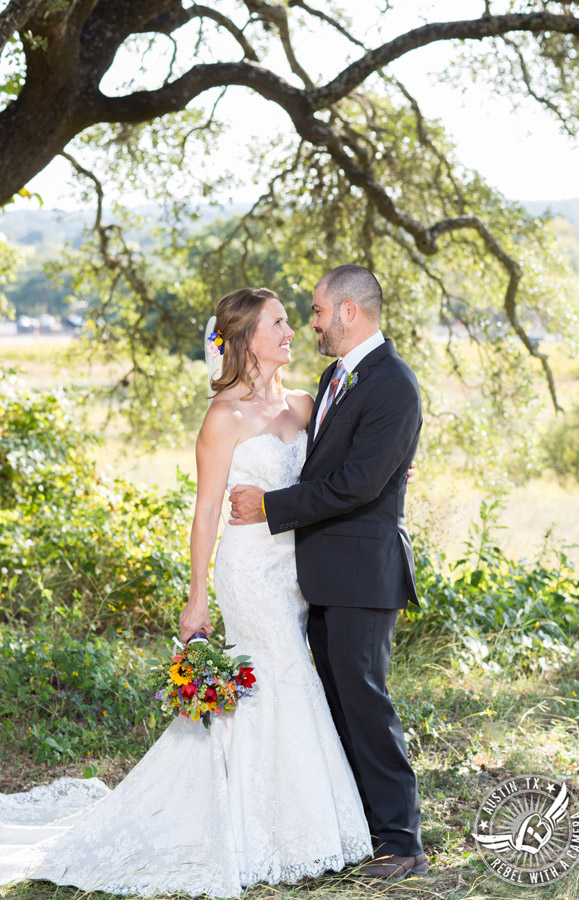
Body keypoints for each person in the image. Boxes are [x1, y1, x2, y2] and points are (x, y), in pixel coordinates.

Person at [0, 287, 373, 899]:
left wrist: (393, 466)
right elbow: (206, 514)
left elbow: (341, 473)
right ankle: (273, 830)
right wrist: (196, 598)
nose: (291, 332)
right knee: (279, 675)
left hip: (299, 570)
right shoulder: (223, 416)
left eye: (290, 322)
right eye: (279, 324)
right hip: (249, 571)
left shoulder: (308, 405)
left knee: (287, 678)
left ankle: (289, 816)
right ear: (248, 338)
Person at [230, 265, 427, 882]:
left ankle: (402, 841)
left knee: (366, 704)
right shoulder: (334, 378)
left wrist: (271, 506)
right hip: (322, 574)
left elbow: (356, 483)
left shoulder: (393, 384)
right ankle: (365, 826)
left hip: (365, 575)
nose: (310, 322)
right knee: (339, 701)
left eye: (315, 311)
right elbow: (331, 463)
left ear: (347, 312)